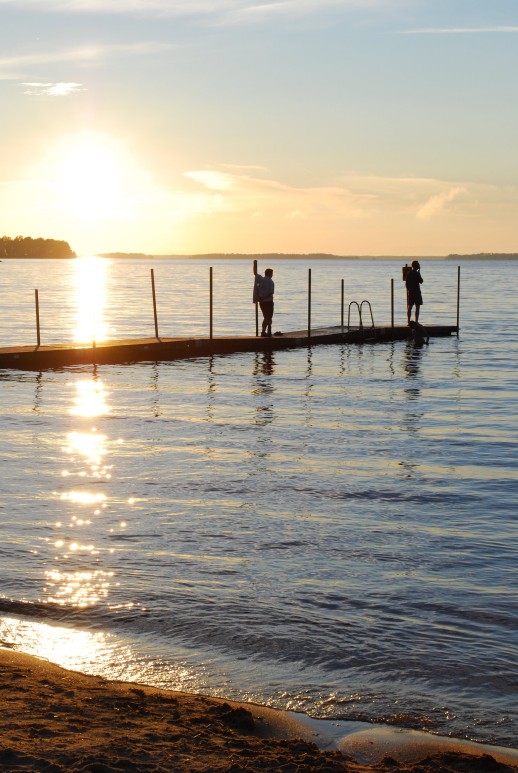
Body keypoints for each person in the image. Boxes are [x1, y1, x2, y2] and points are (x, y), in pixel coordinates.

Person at [253, 267, 275, 337]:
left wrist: (260, 297)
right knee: (269, 317)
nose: (272, 275)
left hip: (261, 302)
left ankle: (264, 331)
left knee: (266, 317)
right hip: (268, 302)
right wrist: (264, 297)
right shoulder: (271, 282)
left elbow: (255, 274)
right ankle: (268, 331)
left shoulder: (260, 280)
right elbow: (270, 293)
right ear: (270, 274)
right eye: (272, 273)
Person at [405, 259, 423, 324]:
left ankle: (408, 321)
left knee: (410, 307)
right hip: (417, 292)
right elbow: (421, 281)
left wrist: (410, 290)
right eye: (418, 264)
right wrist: (419, 273)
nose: (419, 265)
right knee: (417, 306)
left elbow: (406, 284)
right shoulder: (416, 273)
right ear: (416, 266)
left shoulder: (409, 273)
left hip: (411, 292)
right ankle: (416, 321)